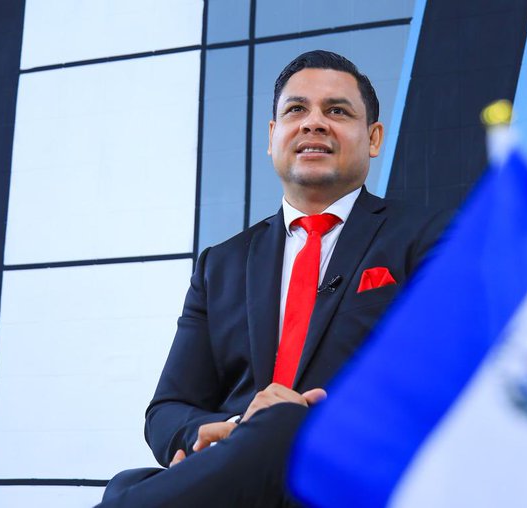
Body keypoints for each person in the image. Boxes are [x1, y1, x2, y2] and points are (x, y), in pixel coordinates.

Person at [98, 50, 448, 507]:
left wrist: (287, 422)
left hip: (349, 478)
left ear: (374, 138)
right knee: (128, 481)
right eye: (296, 110)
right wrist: (229, 429)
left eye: (337, 111)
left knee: (271, 427)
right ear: (272, 136)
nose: (314, 123)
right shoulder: (221, 264)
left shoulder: (432, 237)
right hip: (243, 479)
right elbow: (167, 411)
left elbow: (438, 377)